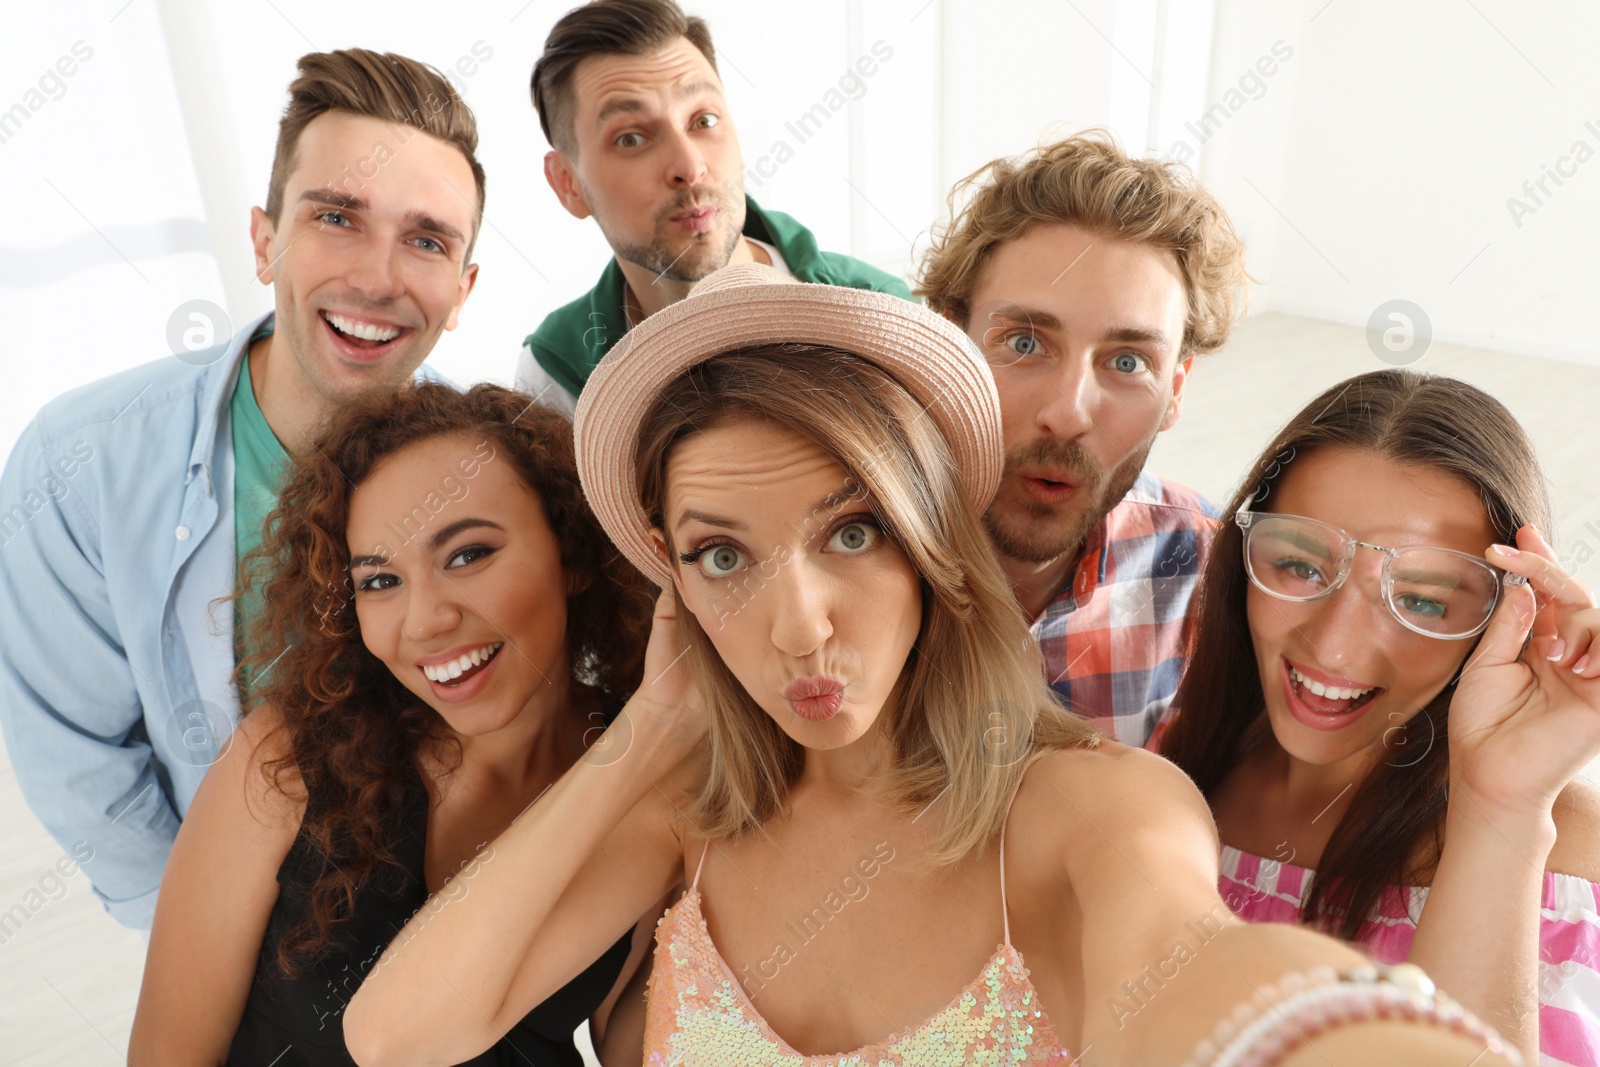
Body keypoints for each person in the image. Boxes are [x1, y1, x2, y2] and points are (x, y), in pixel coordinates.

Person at [344, 264, 1521, 1067]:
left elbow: (1194, 968)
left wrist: (1341, 1029)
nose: (798, 626)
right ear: (673, 581)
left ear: (930, 544)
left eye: (849, 532)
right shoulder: (681, 811)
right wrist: (645, 735)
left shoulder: (1087, 806)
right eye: (721, 554)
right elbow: (395, 1037)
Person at [0, 48, 484, 929]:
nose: (377, 277)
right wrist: (212, 961)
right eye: (338, 216)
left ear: (462, 291)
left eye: (426, 240)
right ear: (264, 242)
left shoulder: (501, 480)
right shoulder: (76, 464)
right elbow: (79, 761)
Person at [130, 383, 658, 1065]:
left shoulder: (649, 760)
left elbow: (641, 1037)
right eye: (380, 581)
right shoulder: (286, 762)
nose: (426, 621)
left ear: (572, 551)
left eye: (467, 555)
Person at [1160, 370, 1600, 1065]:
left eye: (1423, 599)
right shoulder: (1167, 774)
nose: (1333, 644)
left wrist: (1501, 808)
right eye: (1301, 564)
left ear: (1505, 617)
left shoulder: (1570, 862)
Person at [917, 132, 1246, 749]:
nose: (1067, 415)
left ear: (1175, 391)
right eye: (1023, 343)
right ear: (946, 343)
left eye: (1127, 363)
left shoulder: (1215, 574)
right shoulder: (842, 547)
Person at [513, 0, 911, 413]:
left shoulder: (878, 311)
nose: (690, 167)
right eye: (631, 138)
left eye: (703, 120)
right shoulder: (553, 375)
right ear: (569, 184)